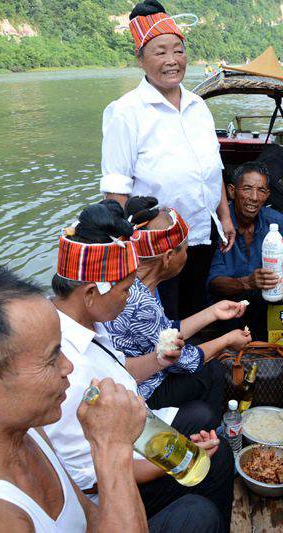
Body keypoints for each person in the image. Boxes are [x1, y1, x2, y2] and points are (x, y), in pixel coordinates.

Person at [0, 263, 222, 532]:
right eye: (52, 358)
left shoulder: (26, 429)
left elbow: (91, 523)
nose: (67, 367)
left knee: (199, 510)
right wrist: (111, 448)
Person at [44, 202, 234, 525]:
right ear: (91, 292)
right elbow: (91, 478)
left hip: (136, 433)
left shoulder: (89, 324)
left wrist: (160, 359)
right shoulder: (66, 371)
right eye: (125, 288)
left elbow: (125, 369)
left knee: (203, 421)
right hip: (109, 489)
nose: (131, 294)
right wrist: (181, 459)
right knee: (216, 464)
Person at [100, 0, 235, 321]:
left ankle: (192, 360)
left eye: (178, 50)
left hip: (201, 234)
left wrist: (225, 218)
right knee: (161, 316)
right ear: (141, 59)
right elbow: (116, 186)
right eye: (160, 52)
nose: (172, 61)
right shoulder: (126, 111)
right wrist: (120, 246)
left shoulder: (197, 106)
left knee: (195, 307)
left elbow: (212, 170)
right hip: (156, 245)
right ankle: (169, 367)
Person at [102, 196, 251, 413]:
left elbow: (166, 330)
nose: (187, 256)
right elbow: (186, 360)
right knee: (214, 371)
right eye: (185, 249)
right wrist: (228, 340)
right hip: (139, 389)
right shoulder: (141, 301)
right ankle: (211, 428)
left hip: (146, 366)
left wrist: (213, 312)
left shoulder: (135, 280)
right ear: (169, 256)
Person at [208, 162, 283, 339]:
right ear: (231, 191)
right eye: (247, 189)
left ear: (267, 195)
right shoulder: (219, 226)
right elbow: (214, 282)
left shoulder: (277, 222)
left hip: (267, 307)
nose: (254, 197)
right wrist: (246, 283)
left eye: (261, 191)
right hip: (226, 312)